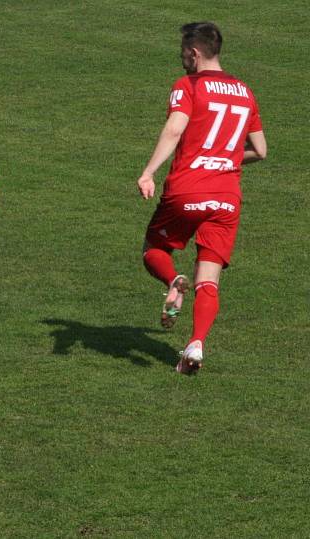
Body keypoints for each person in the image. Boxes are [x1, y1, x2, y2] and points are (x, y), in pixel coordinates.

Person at [136, 22, 267, 374]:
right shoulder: (245, 91)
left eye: (183, 54)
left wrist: (148, 171)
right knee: (208, 279)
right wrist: (225, 159)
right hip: (226, 197)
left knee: (153, 249)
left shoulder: (188, 86)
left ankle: (173, 281)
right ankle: (195, 345)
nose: (181, 60)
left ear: (194, 53)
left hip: (186, 190)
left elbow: (175, 128)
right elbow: (261, 150)